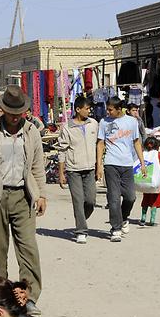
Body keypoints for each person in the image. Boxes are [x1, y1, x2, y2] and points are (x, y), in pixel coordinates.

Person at [0, 86, 47, 317]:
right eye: (11, 112)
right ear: (3, 110)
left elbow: (37, 165)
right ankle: (1, 297)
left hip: (24, 197)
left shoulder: (31, 132)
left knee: (28, 248)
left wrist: (41, 194)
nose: (15, 117)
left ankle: (28, 297)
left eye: (19, 113)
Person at [97, 97, 147, 243]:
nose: (108, 112)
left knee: (131, 197)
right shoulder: (104, 122)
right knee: (113, 198)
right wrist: (99, 165)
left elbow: (137, 142)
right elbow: (100, 144)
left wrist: (142, 163)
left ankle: (124, 218)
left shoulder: (132, 122)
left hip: (127, 164)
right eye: (107, 109)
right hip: (110, 164)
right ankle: (115, 229)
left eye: (110, 109)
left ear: (119, 109)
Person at [57, 96, 100, 244]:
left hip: (89, 169)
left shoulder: (93, 124)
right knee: (78, 200)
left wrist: (99, 166)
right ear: (78, 109)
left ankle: (81, 218)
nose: (89, 111)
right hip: (73, 169)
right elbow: (61, 150)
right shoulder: (67, 128)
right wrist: (61, 172)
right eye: (87, 109)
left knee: (90, 200)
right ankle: (81, 230)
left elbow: (99, 144)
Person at [140, 136, 160, 226]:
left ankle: (143, 218)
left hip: (145, 179)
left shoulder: (143, 153)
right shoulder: (158, 154)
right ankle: (152, 219)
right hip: (156, 181)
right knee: (154, 200)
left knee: (146, 199)